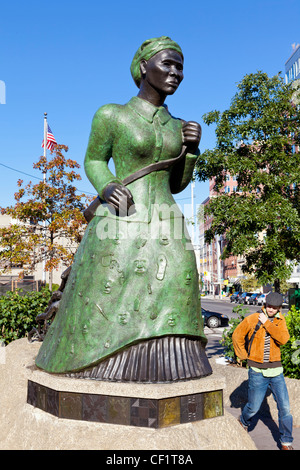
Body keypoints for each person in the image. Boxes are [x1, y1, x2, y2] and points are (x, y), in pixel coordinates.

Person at [35, 36, 212, 382]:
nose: (176, 73)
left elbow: (177, 184)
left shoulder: (178, 126)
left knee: (176, 280)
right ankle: (98, 364)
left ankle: (173, 364)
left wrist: (191, 151)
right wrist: (107, 185)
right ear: (144, 67)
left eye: (180, 67)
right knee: (110, 290)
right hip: (121, 216)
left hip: (166, 219)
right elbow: (94, 160)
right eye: (168, 64)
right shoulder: (112, 115)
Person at [232, 291, 293, 450]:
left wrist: (267, 323)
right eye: (269, 306)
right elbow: (237, 335)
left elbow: (283, 339)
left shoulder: (280, 321)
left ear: (279, 308)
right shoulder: (252, 319)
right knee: (253, 406)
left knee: (285, 408)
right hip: (257, 370)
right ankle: (244, 421)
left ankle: (286, 442)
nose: (271, 309)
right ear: (265, 305)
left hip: (276, 371)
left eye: (275, 307)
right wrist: (243, 355)